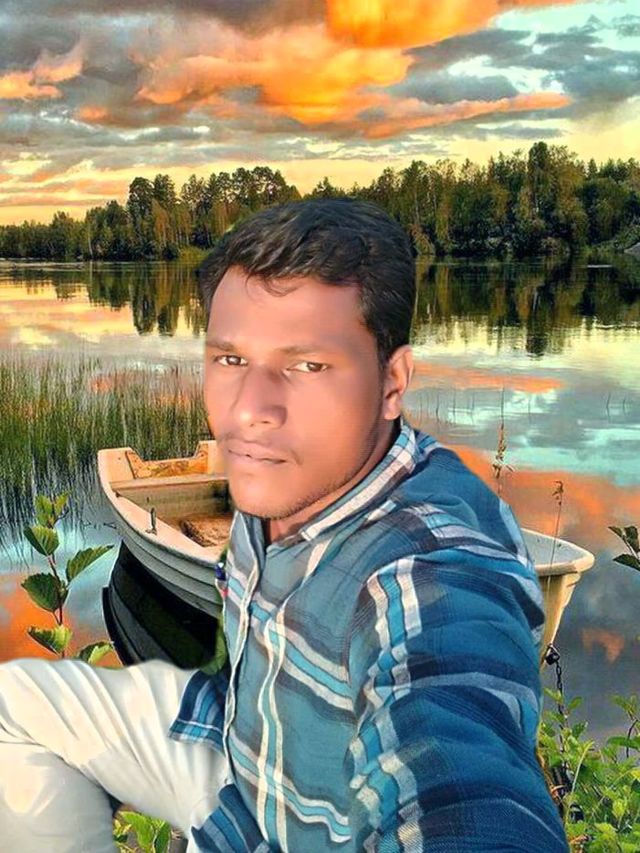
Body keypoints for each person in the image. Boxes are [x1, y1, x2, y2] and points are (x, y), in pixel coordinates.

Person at [0, 198, 570, 852]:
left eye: (307, 365)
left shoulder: (423, 565)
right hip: (242, 762)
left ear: (392, 381)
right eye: (231, 360)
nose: (250, 409)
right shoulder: (281, 479)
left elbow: (461, 773)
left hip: (310, 829)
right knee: (12, 705)